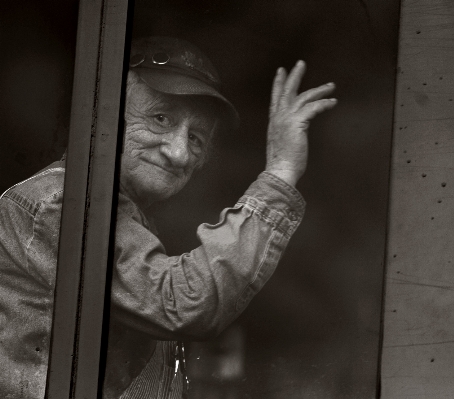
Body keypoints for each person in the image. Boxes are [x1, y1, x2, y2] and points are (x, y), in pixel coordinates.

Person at [0, 36, 336, 398]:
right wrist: (282, 171)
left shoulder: (123, 218)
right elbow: (183, 305)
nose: (179, 154)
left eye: (196, 139)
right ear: (103, 117)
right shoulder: (61, 201)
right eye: (160, 118)